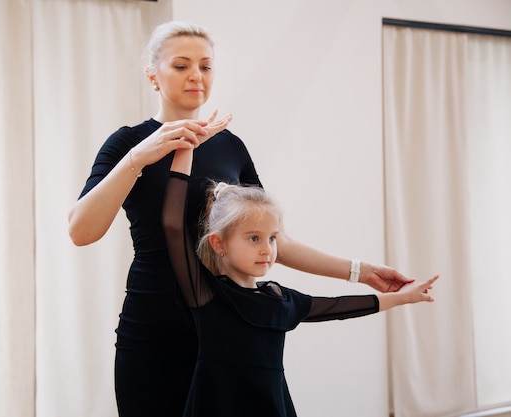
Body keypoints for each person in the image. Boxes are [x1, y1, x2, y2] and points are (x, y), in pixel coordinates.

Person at [68, 21, 415, 417]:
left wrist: (360, 271)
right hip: (153, 327)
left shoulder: (231, 146)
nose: (196, 76)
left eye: (205, 66)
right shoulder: (128, 143)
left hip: (231, 328)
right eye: (181, 66)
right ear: (153, 74)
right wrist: (140, 157)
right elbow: (81, 231)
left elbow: (272, 239)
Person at [162, 144, 439, 417]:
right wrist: (187, 147)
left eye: (272, 238)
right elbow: (173, 224)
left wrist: (404, 296)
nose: (267, 249)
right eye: (254, 238)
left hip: (271, 404)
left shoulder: (280, 300)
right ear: (218, 243)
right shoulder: (207, 295)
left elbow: (338, 307)